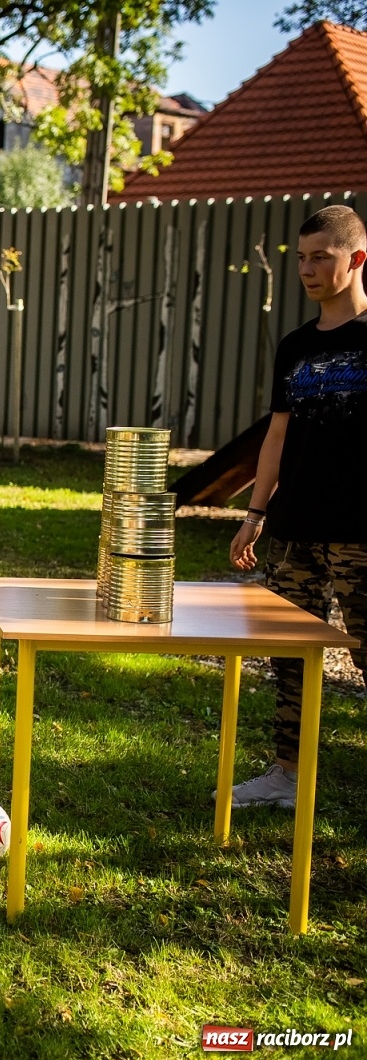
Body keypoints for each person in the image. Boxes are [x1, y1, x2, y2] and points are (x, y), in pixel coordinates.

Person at [225, 204, 367, 809]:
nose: (307, 270)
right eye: (302, 258)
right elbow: (277, 435)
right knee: (290, 656)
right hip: (294, 529)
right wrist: (255, 514)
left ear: (356, 259)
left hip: (360, 533)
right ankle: (288, 773)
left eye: (321, 258)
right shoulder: (295, 346)